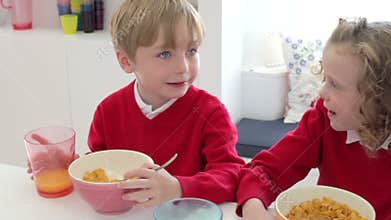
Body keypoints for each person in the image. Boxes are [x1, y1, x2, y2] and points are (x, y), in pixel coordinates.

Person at [88, 0, 245, 208]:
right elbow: (98, 166)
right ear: (126, 61)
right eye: (165, 54)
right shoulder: (108, 111)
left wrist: (179, 188)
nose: (183, 67)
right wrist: (71, 166)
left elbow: (232, 176)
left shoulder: (211, 112)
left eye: (191, 51)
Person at [237, 18, 391, 220]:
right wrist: (254, 210)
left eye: (335, 84)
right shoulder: (322, 119)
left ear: (378, 97)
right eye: (325, 79)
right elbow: (264, 172)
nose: (322, 91)